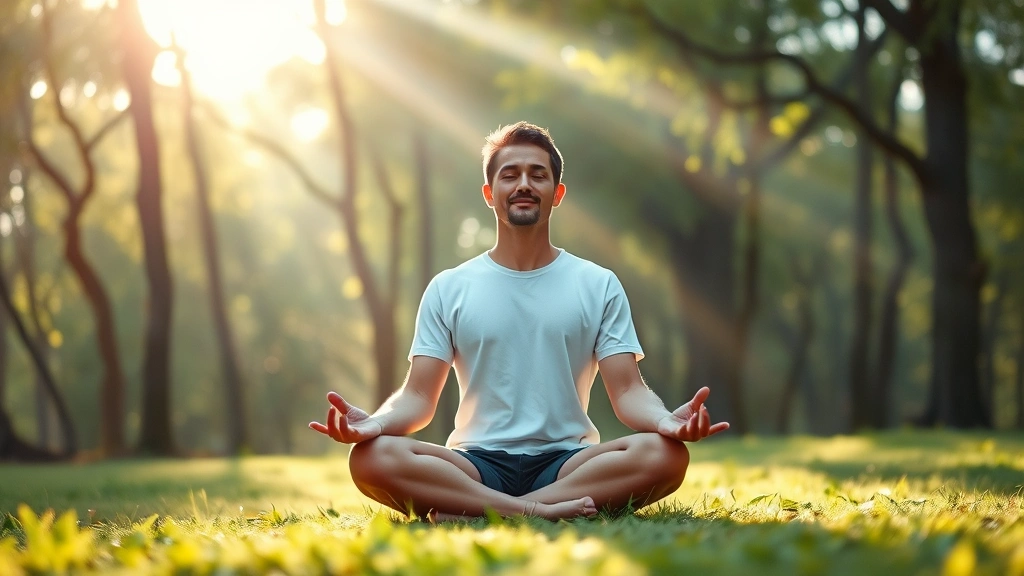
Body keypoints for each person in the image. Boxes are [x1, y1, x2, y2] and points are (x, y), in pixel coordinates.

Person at [309, 121, 729, 521]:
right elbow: (418, 396)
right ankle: (538, 513)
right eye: (510, 175)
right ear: (490, 193)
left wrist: (665, 421)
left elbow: (628, 390)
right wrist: (375, 424)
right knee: (371, 457)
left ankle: (481, 513)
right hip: (474, 463)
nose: (524, 184)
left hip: (568, 463)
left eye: (537, 174)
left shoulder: (597, 284)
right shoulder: (449, 287)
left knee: (666, 454)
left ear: (557, 192)